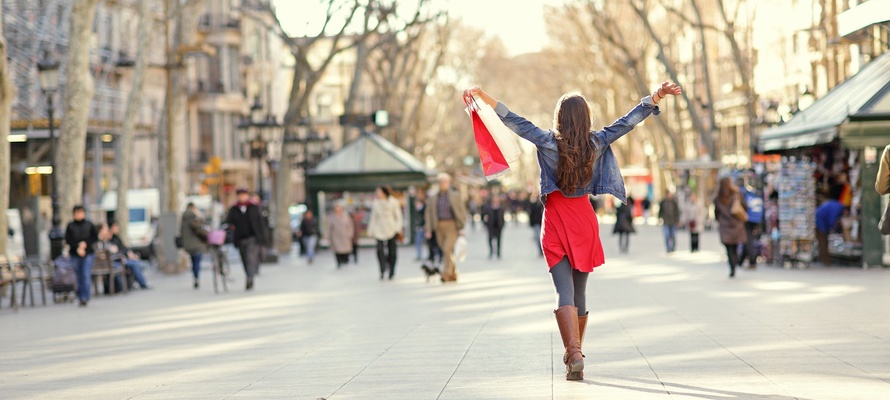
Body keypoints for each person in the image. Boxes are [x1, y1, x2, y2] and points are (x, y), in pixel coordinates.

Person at [464, 80, 682, 380]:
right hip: (584, 222)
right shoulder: (597, 142)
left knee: (563, 291)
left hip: (555, 222)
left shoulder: (546, 141)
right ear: (587, 118)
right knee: (579, 293)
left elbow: (513, 120)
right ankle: (575, 355)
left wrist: (482, 96)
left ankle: (574, 354)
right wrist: (656, 96)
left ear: (559, 118)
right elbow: (627, 122)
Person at [424, 173, 467, 283]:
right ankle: (453, 273)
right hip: (439, 225)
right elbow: (428, 213)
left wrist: (461, 227)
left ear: (449, 182)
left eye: (444, 181)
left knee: (447, 249)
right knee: (445, 250)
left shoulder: (455, 195)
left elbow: (462, 211)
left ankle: (446, 273)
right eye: (440, 182)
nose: (442, 184)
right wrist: (428, 229)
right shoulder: (433, 197)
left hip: (451, 225)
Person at [225, 188, 267, 290]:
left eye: (244, 195)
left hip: (252, 238)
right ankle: (249, 275)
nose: (242, 197)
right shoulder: (233, 209)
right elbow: (227, 222)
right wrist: (230, 227)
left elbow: (260, 223)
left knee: (250, 258)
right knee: (244, 259)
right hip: (240, 239)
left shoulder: (253, 207)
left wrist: (263, 238)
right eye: (240, 195)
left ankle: (250, 278)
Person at [96, 223, 150, 292]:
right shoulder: (100, 242)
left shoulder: (111, 240)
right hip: (110, 262)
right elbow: (103, 255)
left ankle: (133, 284)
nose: (107, 231)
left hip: (117, 260)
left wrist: (128, 254)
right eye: (105, 229)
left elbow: (122, 249)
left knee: (138, 264)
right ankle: (139, 284)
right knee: (134, 264)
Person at [714, 177, 748, 277]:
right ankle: (736, 260)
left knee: (729, 249)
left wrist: (719, 220)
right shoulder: (737, 194)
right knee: (735, 245)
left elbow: (717, 212)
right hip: (736, 223)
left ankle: (732, 266)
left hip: (725, 225)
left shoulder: (718, 197)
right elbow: (745, 206)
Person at [65, 205, 98, 307]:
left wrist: (85, 245)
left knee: (85, 274)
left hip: (88, 253)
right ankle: (80, 296)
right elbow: (68, 240)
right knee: (78, 276)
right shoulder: (70, 226)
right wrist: (77, 247)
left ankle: (85, 297)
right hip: (75, 253)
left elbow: (94, 237)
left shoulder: (89, 224)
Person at [367, 186, 403, 280]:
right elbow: (373, 217)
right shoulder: (376, 203)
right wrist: (371, 231)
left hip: (392, 229)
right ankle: (382, 270)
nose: (378, 194)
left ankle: (391, 271)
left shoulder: (394, 202)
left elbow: (398, 216)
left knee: (392, 252)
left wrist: (398, 228)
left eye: (379, 192)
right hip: (379, 229)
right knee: (379, 251)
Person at [180, 203, 208, 289]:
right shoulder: (193, 218)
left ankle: (195, 277)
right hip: (196, 244)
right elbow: (199, 228)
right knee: (197, 262)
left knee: (193, 262)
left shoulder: (183, 219)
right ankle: (196, 278)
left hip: (188, 245)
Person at [738, 178, 764, 268]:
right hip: (756, 218)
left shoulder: (742, 192)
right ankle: (741, 260)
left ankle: (752, 261)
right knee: (748, 238)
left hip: (748, 218)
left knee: (748, 239)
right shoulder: (754, 193)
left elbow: (744, 205)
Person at [815, 191, 845, 265]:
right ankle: (825, 260)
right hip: (820, 222)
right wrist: (833, 229)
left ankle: (824, 259)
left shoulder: (837, 205)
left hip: (820, 219)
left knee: (823, 241)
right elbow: (832, 220)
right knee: (823, 242)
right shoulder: (838, 208)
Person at [328, 203, 355, 268]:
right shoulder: (332, 217)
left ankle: (345, 260)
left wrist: (349, 234)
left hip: (345, 236)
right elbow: (329, 228)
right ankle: (339, 262)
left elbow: (350, 226)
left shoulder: (346, 217)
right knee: (337, 250)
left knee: (345, 250)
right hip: (336, 236)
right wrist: (329, 236)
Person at [413, 197, 427, 261]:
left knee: (428, 242)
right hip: (419, 228)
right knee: (418, 242)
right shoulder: (417, 209)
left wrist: (424, 226)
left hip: (423, 228)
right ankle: (419, 255)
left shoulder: (424, 209)